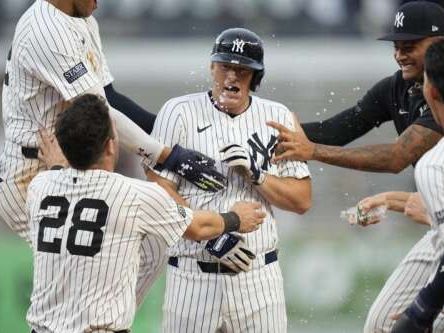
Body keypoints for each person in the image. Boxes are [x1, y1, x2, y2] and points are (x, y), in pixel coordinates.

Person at [0, 0, 226, 306]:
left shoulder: (80, 18)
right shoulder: (46, 29)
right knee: (85, 282)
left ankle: (102, 323)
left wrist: (174, 136)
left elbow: (110, 97)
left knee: (139, 253)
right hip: (31, 174)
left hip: (64, 167)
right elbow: (101, 110)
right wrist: (166, 154)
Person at [267, 1, 444, 332]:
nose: (400, 54)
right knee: (381, 323)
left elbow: (397, 157)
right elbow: (339, 127)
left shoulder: (440, 92)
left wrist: (313, 151)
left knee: (421, 319)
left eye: (411, 46)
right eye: (396, 46)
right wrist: (254, 130)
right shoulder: (398, 87)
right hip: (439, 231)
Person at [26, 93, 264, 333]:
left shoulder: (40, 186)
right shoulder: (135, 195)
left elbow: (62, 179)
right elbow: (197, 228)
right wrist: (234, 218)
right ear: (110, 145)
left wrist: (57, 167)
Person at [149, 27, 311, 333]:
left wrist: (257, 175)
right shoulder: (178, 111)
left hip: (256, 275)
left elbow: (302, 200)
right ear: (212, 66)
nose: (231, 77)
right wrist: (212, 232)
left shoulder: (277, 117)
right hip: (191, 276)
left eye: (242, 70)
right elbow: (159, 187)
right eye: (225, 66)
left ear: (256, 76)